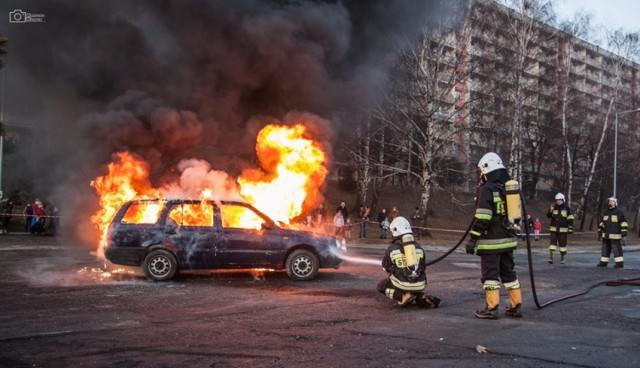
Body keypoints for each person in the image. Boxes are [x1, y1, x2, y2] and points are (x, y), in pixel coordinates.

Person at [466, 152, 522, 319]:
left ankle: (491, 308)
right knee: (509, 273)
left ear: (486, 170)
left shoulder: (486, 189)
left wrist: (473, 239)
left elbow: (483, 216)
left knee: (490, 276)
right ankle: (516, 306)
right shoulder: (507, 189)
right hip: (508, 240)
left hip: (491, 242)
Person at [377, 216, 440, 308]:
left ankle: (402, 297)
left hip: (402, 284)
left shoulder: (392, 248)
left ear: (395, 231)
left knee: (381, 286)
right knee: (411, 286)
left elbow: (385, 267)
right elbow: (423, 267)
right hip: (420, 284)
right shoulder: (419, 247)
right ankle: (420, 297)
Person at [597, 197, 628, 268]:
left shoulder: (618, 212)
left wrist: (624, 233)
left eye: (611, 201)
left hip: (615, 235)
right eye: (609, 201)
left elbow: (623, 223)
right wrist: (599, 232)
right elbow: (602, 223)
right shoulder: (605, 212)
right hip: (606, 235)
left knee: (616, 250)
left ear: (615, 203)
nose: (610, 203)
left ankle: (619, 264)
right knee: (605, 250)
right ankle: (603, 263)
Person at [547, 192, 574, 264]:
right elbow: (549, 216)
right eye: (557, 200)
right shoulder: (554, 207)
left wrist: (570, 228)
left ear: (563, 200)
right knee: (552, 245)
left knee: (563, 245)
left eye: (559, 200)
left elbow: (570, 218)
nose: (558, 201)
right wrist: (550, 211)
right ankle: (551, 258)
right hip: (554, 230)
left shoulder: (566, 208)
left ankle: (562, 257)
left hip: (563, 231)